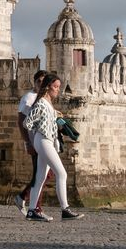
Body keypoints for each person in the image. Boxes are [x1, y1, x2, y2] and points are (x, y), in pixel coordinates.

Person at [23, 73, 83, 222]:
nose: (58, 90)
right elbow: (27, 122)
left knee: (41, 177)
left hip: (46, 140)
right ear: (48, 87)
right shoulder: (41, 103)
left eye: (59, 87)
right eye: (55, 87)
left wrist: (56, 120)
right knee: (61, 173)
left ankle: (32, 211)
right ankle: (65, 209)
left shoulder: (48, 104)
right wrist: (35, 135)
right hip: (43, 140)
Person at [13, 69, 48, 215]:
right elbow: (21, 120)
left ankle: (23, 198)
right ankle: (35, 207)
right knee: (40, 175)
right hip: (35, 143)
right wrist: (27, 142)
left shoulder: (43, 98)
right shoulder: (29, 97)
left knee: (44, 174)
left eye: (43, 82)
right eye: (38, 81)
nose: (40, 84)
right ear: (34, 82)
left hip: (44, 142)